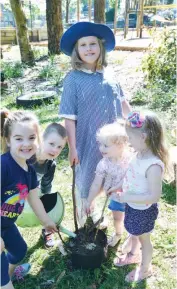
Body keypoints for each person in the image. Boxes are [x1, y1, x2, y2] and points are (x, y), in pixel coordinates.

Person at [59, 22, 131, 226]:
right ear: (76, 50)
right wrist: (72, 148)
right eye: (83, 45)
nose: (89, 48)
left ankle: (114, 211)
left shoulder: (110, 75)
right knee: (89, 176)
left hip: (115, 140)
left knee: (114, 173)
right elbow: (69, 117)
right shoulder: (73, 79)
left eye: (93, 44)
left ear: (100, 47)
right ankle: (86, 215)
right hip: (87, 139)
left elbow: (123, 101)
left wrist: (136, 119)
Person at [108, 111, 170, 282]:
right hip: (133, 205)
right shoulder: (139, 155)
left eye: (130, 138)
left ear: (143, 137)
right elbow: (131, 177)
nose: (128, 142)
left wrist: (126, 197)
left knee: (145, 239)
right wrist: (120, 187)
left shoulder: (153, 166)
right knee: (134, 230)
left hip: (143, 209)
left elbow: (154, 196)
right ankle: (134, 254)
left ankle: (145, 269)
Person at [1, 109, 57, 289]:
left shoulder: (29, 170)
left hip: (6, 225)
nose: (26, 144)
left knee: (18, 250)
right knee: (4, 287)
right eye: (18, 139)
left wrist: (46, 221)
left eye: (31, 137)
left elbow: (34, 198)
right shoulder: (3, 166)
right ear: (8, 141)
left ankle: (7, 277)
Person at [85, 121, 131, 246]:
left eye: (105, 145)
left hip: (133, 196)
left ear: (120, 145)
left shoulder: (131, 159)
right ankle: (118, 234)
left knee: (132, 219)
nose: (101, 148)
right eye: (100, 144)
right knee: (117, 218)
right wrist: (89, 200)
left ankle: (132, 237)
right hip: (116, 197)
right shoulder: (104, 163)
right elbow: (96, 184)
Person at [30, 122, 67, 247]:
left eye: (59, 147)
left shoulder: (50, 164)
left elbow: (46, 186)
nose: (55, 150)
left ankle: (47, 231)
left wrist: (46, 203)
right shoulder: (27, 156)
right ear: (41, 140)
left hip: (32, 190)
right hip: (13, 191)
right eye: (51, 144)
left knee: (48, 198)